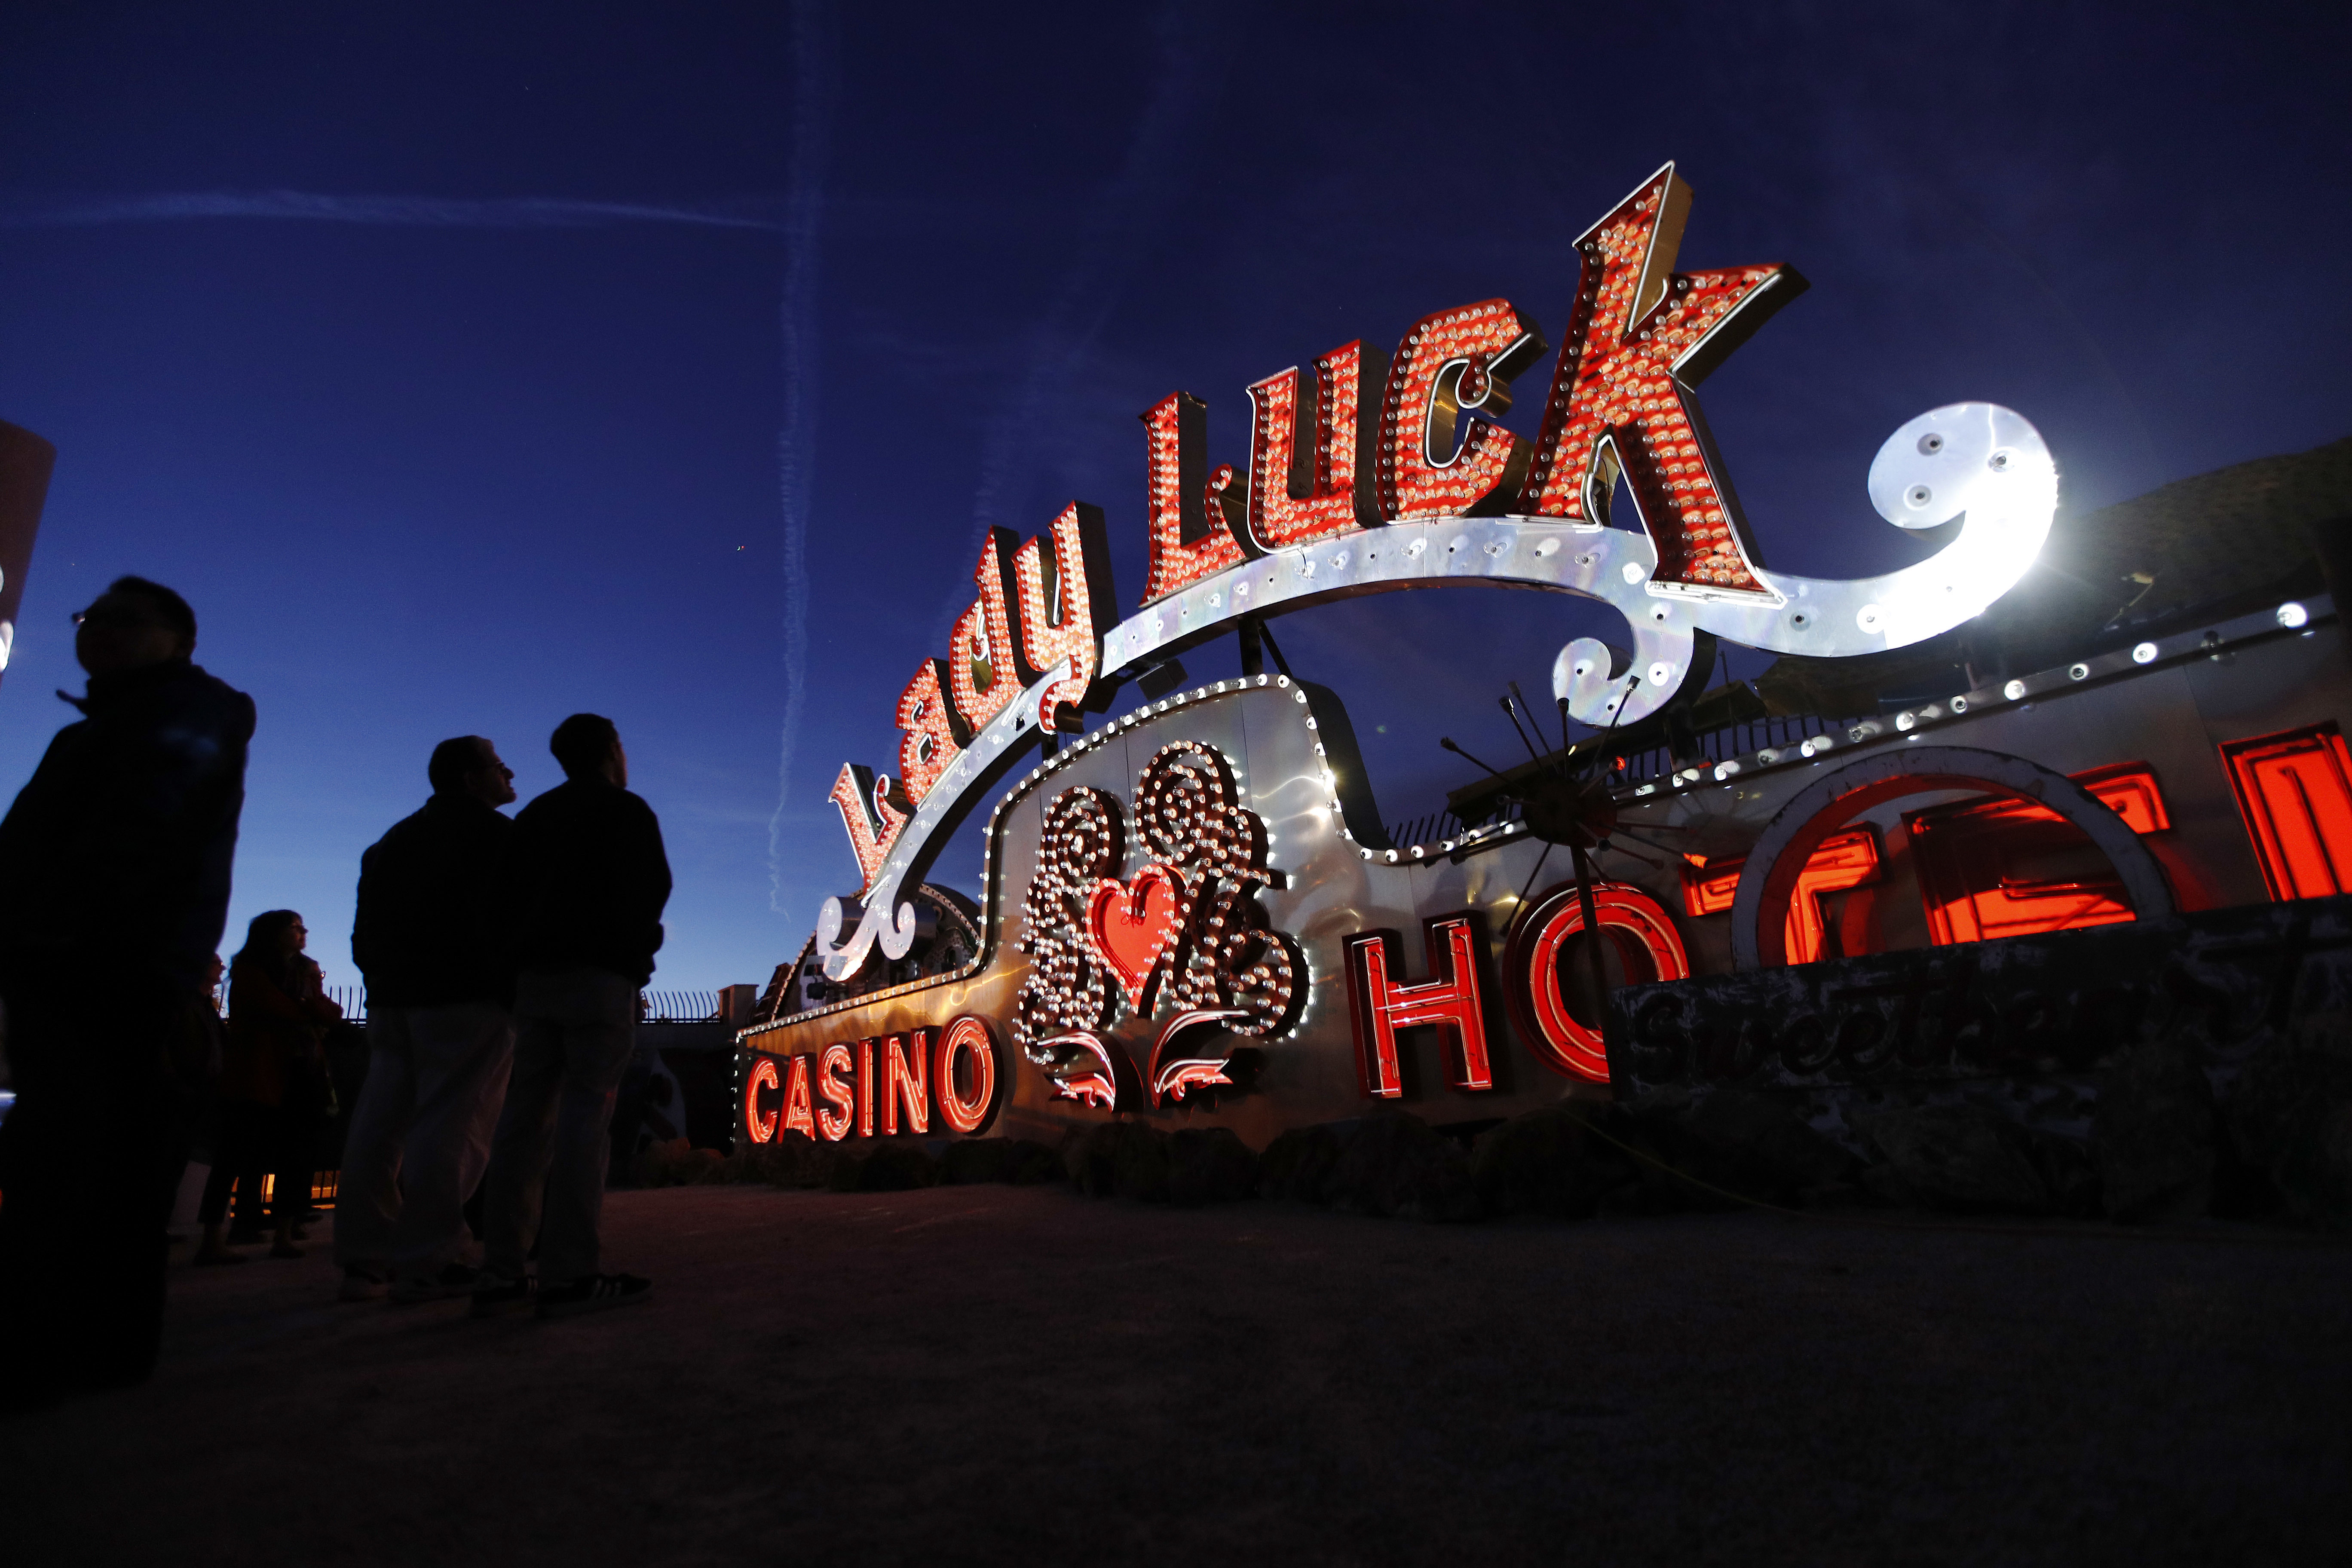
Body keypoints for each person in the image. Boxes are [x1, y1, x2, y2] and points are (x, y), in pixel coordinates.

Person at [0, 577, 254, 1403]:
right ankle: (75, 1346)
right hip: (74, 960)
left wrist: (60, 924)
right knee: (70, 1159)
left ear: (177, 638)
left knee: (91, 1163)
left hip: (110, 966)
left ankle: (78, 1354)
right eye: (89, 617)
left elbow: (142, 827)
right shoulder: (113, 723)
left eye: (122, 619)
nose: (96, 630)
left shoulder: (186, 711)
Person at [473, 714, 668, 1319]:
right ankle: (568, 1271)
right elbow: (649, 893)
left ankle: (501, 1269)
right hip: (599, 979)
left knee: (522, 1122)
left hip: (535, 983)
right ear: (613, 750)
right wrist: (636, 962)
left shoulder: (531, 818)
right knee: (587, 1119)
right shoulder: (627, 812)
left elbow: (501, 904)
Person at [335, 736, 519, 1305]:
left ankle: (365, 1256)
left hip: (391, 1002)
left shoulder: (390, 844)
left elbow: (364, 935)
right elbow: (514, 921)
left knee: (379, 1124)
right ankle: (430, 1257)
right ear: (470, 779)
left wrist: (381, 982)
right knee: (453, 1124)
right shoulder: (497, 839)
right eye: (496, 764)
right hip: (465, 999)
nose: (509, 770)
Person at [200, 913, 342, 1262]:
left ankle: (283, 1233)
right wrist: (309, 1008)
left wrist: (309, 1005)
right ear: (274, 933)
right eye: (295, 927)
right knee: (235, 1155)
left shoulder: (304, 972)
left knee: (295, 1155)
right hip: (258, 1073)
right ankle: (214, 1239)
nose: (303, 932)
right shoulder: (251, 970)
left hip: (297, 1072)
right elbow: (289, 1010)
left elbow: (331, 1012)